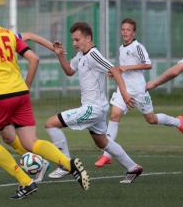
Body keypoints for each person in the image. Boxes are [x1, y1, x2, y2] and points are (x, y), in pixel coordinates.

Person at [0, 0, 90, 200]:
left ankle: (25, 181)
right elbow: (33, 56)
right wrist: (28, 84)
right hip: (20, 93)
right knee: (29, 141)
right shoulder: (8, 34)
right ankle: (67, 163)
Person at [46, 21, 143, 183]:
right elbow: (69, 71)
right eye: (73, 40)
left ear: (88, 38)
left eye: (77, 40)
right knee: (102, 141)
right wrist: (60, 54)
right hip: (94, 108)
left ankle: (65, 165)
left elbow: (113, 70)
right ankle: (133, 167)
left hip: (93, 108)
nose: (74, 43)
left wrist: (124, 93)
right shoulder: (81, 55)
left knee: (50, 124)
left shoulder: (93, 54)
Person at [0, 17, 57, 183]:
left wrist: (53, 48)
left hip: (6, 94)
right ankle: (38, 162)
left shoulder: (1, 37)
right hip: (2, 96)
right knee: (9, 137)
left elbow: (30, 35)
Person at [95, 18, 183, 167]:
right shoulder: (121, 48)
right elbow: (124, 67)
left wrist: (127, 68)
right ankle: (107, 155)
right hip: (123, 89)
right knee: (114, 115)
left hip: (139, 90)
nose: (125, 32)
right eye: (123, 29)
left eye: (128, 30)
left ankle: (178, 122)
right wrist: (118, 70)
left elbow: (148, 65)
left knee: (151, 119)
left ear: (134, 32)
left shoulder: (138, 47)